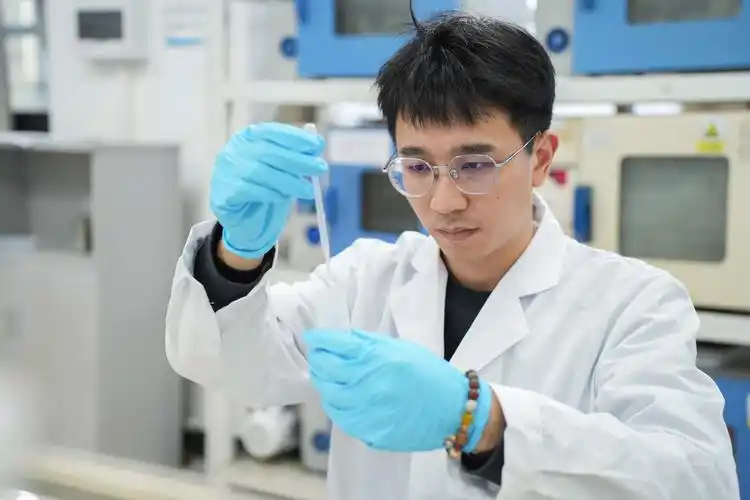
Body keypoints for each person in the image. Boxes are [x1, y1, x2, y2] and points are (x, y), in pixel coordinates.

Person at [165, 12, 739, 500]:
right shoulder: (365, 280)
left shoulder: (633, 305)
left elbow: (695, 479)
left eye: (475, 165)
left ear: (541, 158)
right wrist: (236, 254)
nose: (443, 201)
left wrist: (483, 422)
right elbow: (225, 360)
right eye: (417, 167)